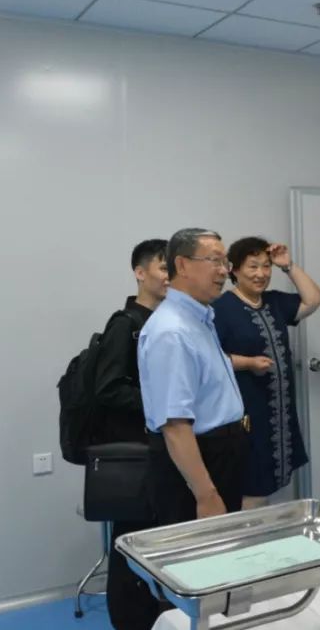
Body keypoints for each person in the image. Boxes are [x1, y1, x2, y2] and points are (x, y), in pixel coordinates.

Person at [139, 228, 248, 534]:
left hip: (221, 454)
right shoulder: (172, 331)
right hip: (197, 464)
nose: (224, 271)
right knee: (202, 554)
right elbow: (175, 425)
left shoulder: (199, 318)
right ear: (182, 265)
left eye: (225, 262)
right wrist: (206, 495)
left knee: (224, 550)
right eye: (214, 261)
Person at [213, 237, 320, 509]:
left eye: (266, 266)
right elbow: (209, 360)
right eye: (253, 266)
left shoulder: (273, 301)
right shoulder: (220, 309)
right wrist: (248, 363)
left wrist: (288, 265)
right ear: (234, 270)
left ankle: (265, 532)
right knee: (252, 486)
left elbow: (313, 300)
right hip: (245, 415)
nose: (261, 274)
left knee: (271, 484)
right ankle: (248, 534)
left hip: (279, 413)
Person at [97, 239, 170, 630]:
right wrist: (162, 399)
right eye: (163, 268)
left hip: (163, 447)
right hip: (136, 453)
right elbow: (108, 389)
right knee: (131, 541)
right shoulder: (125, 325)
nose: (169, 277)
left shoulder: (166, 320)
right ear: (140, 273)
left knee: (161, 540)